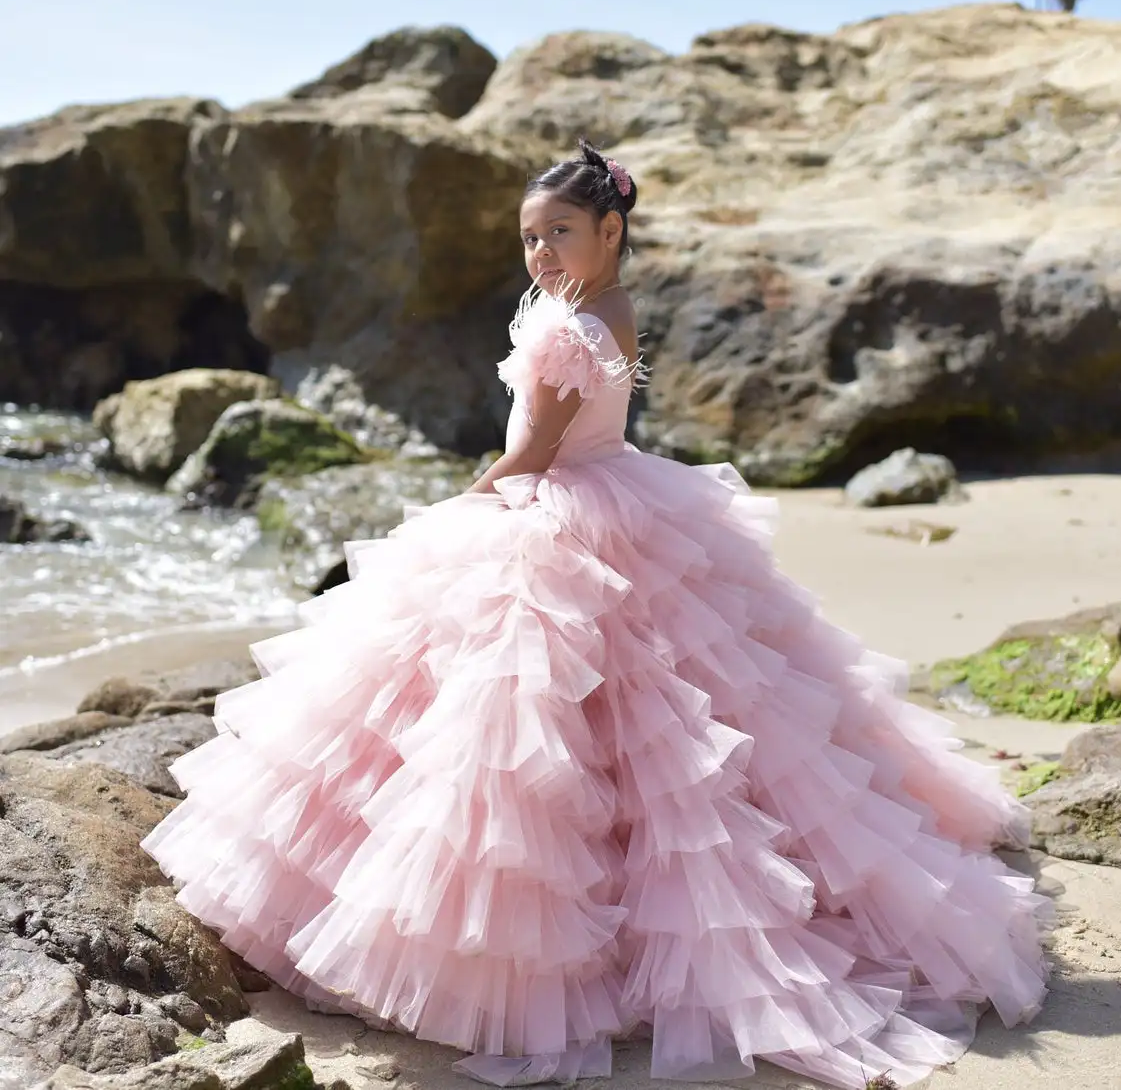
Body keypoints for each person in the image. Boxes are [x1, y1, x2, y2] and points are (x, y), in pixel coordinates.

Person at [141, 139, 1050, 1090]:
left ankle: (506, 958)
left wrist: (472, 492)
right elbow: (598, 425)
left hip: (560, 509)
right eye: (530, 238)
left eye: (559, 233)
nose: (539, 253)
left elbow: (533, 448)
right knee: (681, 715)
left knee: (529, 724)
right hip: (625, 492)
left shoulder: (561, 328)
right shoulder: (607, 304)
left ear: (610, 229)